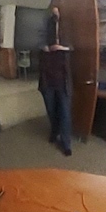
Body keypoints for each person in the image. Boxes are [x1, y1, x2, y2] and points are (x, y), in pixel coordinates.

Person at [38, 25, 73, 155]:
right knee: (51, 110)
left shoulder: (67, 34)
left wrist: (61, 48)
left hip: (62, 82)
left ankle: (66, 143)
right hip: (47, 80)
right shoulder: (43, 36)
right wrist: (43, 47)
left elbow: (75, 47)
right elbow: (35, 44)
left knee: (65, 112)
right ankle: (54, 131)